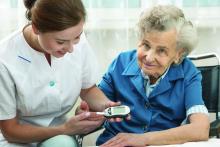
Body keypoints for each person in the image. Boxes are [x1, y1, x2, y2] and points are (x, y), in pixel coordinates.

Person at [0, 0, 119, 147]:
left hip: (59, 136)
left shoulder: (77, 43)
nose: (70, 49)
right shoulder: (4, 59)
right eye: (61, 42)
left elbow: (87, 89)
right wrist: (64, 129)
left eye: (77, 37)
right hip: (16, 138)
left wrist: (105, 106)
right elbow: (10, 130)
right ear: (36, 29)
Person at [96, 5, 210, 147]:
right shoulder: (120, 63)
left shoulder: (188, 73)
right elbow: (95, 108)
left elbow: (200, 129)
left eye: (161, 50)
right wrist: (85, 113)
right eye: (146, 45)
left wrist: (143, 139)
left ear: (178, 54)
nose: (149, 58)